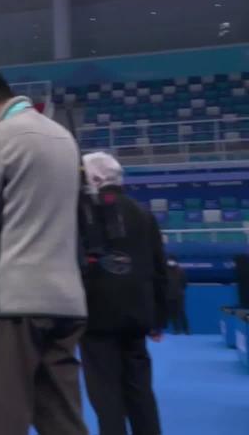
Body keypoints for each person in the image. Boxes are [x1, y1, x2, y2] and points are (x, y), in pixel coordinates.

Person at [0, 67, 87, 435]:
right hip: (65, 299)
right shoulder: (63, 137)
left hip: (11, 300)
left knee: (2, 421)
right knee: (63, 421)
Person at [79, 151, 167, 435]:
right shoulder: (143, 214)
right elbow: (159, 268)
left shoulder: (85, 213)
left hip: (97, 317)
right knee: (141, 392)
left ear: (93, 178)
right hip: (138, 316)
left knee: (107, 398)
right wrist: (158, 317)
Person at [165, 256, 189, 334]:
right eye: (169, 260)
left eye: (172, 260)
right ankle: (176, 330)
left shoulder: (181, 271)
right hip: (169, 295)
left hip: (179, 295)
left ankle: (186, 330)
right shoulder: (165, 271)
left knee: (181, 312)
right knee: (172, 313)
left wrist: (180, 290)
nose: (171, 262)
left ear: (175, 261)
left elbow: (184, 283)